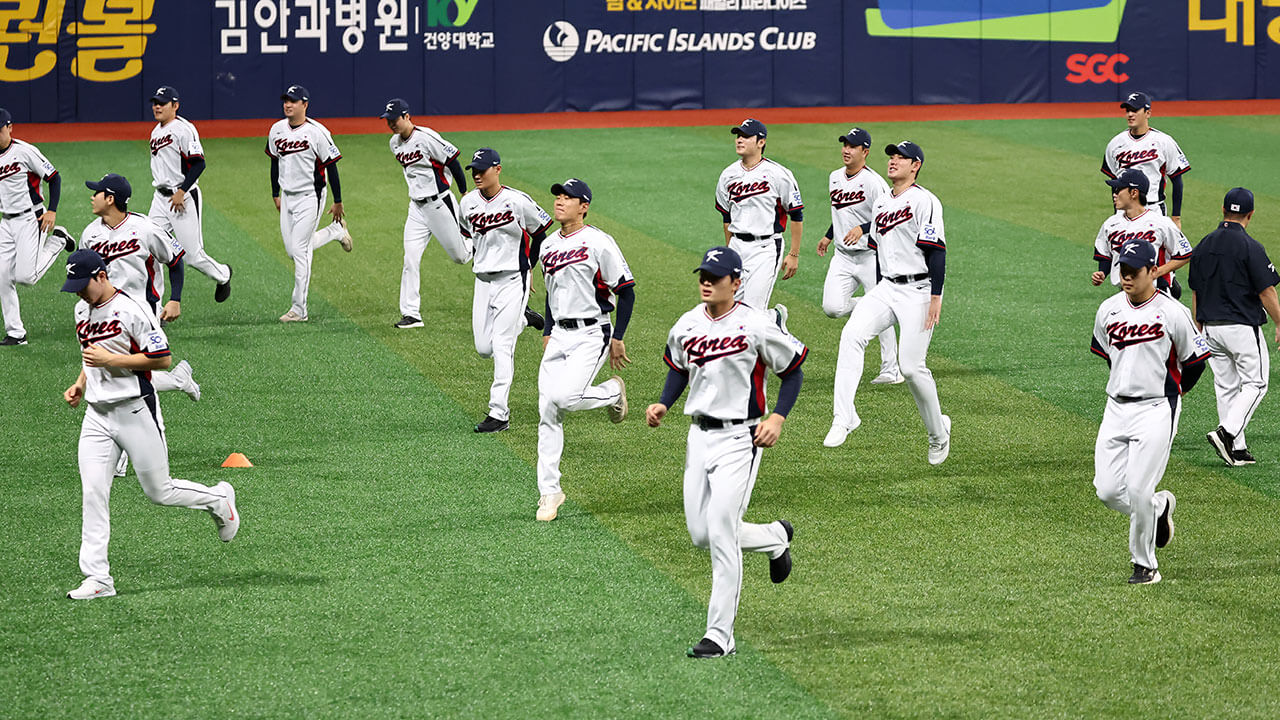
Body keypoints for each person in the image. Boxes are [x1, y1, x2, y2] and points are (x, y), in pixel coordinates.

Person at [646, 246, 804, 659]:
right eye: (703, 275)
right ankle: (773, 538)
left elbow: (793, 370)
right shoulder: (686, 324)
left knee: (719, 530)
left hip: (742, 439)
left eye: (715, 277)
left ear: (736, 283)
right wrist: (665, 402)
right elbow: (678, 368)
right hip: (698, 436)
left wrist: (778, 418)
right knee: (700, 534)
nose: (706, 282)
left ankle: (719, 635)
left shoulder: (756, 324)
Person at [60, 249, 239, 600]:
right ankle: (98, 578)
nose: (79, 292)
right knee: (94, 492)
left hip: (134, 411)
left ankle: (219, 500)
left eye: (83, 285)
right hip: (96, 417)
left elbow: (162, 358)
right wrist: (81, 383)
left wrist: (111, 360)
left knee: (160, 491)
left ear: (101, 276)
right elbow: (91, 352)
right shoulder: (82, 308)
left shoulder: (132, 310)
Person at [824, 141, 950, 466]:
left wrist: (936, 296)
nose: (893, 161)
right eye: (891, 156)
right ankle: (844, 416)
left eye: (901, 157)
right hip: (887, 288)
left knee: (911, 368)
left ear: (916, 165)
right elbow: (880, 246)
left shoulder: (926, 201)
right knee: (851, 336)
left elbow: (936, 251)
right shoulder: (882, 203)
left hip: (919, 291)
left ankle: (939, 433)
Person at [1091, 239, 1209, 585]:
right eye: (1122, 271)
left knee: (1139, 489)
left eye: (1132, 272)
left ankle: (1145, 565)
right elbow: (1108, 353)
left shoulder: (1173, 312)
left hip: (1157, 409)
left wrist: (1175, 391)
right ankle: (1157, 509)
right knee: (1108, 491)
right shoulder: (1109, 309)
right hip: (1115, 408)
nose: (1125, 278)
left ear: (1153, 271)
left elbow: (1197, 361)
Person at [535, 178, 633, 522]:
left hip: (593, 333)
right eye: (558, 196)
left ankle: (611, 392)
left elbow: (626, 290)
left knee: (563, 398)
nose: (560, 201)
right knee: (547, 410)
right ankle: (550, 492)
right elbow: (551, 292)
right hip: (559, 335)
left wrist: (618, 336)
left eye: (568, 197)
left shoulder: (599, 242)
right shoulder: (547, 246)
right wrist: (548, 330)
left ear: (584, 205)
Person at [458, 147, 552, 432]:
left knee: (501, 346)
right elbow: (467, 235)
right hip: (483, 280)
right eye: (473, 169)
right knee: (483, 347)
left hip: (513, 279)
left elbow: (541, 233)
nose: (476, 174)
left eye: (482, 169)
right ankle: (525, 319)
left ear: (497, 170)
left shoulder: (517, 201)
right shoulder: (467, 203)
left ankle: (499, 413)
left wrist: (530, 268)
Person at [1188, 187, 1280, 466]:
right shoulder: (1250, 246)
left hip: (1211, 328)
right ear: (1250, 214)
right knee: (1257, 382)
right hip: (1240, 327)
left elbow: (1195, 291)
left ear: (1223, 209)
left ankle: (1237, 449)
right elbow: (1266, 292)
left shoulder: (1203, 244)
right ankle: (1227, 433)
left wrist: (1198, 328)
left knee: (1227, 386)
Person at [380, 98, 472, 329]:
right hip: (416, 209)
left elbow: (453, 161)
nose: (391, 124)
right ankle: (411, 314)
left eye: (395, 119)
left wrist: (464, 192)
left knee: (460, 257)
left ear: (407, 116)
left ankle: (477, 238)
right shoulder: (394, 143)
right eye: (388, 120)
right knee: (410, 258)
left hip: (440, 204)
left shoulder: (427, 137)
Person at [817, 126, 899, 384]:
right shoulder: (834, 177)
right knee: (832, 308)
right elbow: (842, 211)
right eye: (844, 145)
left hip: (870, 255)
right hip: (842, 256)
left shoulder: (874, 183)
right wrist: (829, 235)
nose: (846, 150)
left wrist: (863, 228)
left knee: (880, 313)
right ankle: (873, 305)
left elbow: (890, 217)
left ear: (865, 151)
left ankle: (891, 369)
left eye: (852, 146)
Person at [266, 85, 353, 322]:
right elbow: (274, 161)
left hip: (311, 196)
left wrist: (337, 201)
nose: (288, 105)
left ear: (305, 105)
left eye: (293, 101)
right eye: (285, 100)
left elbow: (332, 166)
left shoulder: (318, 133)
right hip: (287, 196)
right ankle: (336, 231)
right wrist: (275, 192)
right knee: (292, 250)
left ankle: (299, 309)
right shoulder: (276, 130)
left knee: (300, 252)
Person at [715, 118, 803, 329]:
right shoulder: (728, 175)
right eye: (738, 135)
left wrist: (794, 254)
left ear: (761, 142)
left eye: (746, 136)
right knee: (730, 311)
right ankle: (774, 319)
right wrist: (729, 251)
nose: (739, 140)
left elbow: (796, 214)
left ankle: (770, 329)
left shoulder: (779, 174)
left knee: (752, 313)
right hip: (737, 245)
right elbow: (726, 217)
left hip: (766, 248)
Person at [147, 86, 232, 303]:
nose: (157, 106)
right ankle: (155, 307)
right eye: (155, 102)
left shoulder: (184, 129)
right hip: (159, 199)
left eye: (162, 103)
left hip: (183, 198)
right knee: (150, 249)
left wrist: (181, 191)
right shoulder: (156, 131)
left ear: (175, 106)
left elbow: (199, 164)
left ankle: (223, 274)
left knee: (192, 256)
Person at [1102, 91, 1191, 296]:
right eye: (1127, 110)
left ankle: (1168, 288)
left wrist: (1176, 216)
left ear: (1148, 113)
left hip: (1154, 206)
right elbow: (1115, 184)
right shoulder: (1115, 144)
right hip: (1125, 209)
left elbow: (1176, 178)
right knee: (1128, 256)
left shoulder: (1163, 141)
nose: (1130, 114)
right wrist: (1119, 212)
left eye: (1135, 110)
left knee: (1161, 257)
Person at [0, 106, 72, 346]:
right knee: (1, 277)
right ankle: (16, 333)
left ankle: (58, 240)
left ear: (9, 128)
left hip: (31, 218)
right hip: (6, 222)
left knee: (26, 277)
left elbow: (54, 177)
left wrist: (52, 210)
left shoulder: (25, 151)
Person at [1090, 169, 1191, 295]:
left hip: (1157, 293)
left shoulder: (1161, 223)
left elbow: (1185, 254)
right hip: (1125, 294)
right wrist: (1102, 273)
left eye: (1118, 190)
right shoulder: (1110, 224)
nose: (1114, 194)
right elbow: (1105, 256)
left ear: (1134, 193)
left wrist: (1157, 272)